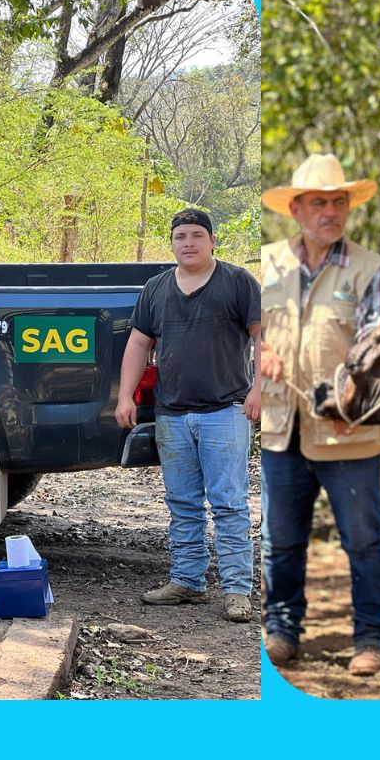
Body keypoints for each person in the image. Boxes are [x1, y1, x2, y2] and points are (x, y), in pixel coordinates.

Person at [256, 153, 380, 676]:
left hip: (350, 431)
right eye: (319, 202)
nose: (331, 212)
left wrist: (353, 402)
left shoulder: (370, 271)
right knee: (281, 538)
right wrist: (259, 349)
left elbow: (377, 350)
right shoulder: (266, 263)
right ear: (296, 208)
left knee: (362, 539)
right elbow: (239, 329)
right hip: (280, 428)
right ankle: (282, 630)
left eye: (339, 202)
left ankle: (371, 638)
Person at [116, 208, 262, 623]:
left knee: (230, 504)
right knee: (182, 503)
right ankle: (187, 582)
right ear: (173, 243)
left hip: (225, 411)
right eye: (180, 236)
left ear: (212, 240)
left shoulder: (237, 282)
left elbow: (263, 338)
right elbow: (138, 344)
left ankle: (236, 590)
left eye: (197, 235)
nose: (189, 243)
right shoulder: (157, 288)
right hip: (172, 414)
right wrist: (125, 396)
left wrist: (260, 388)